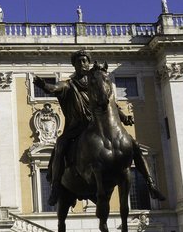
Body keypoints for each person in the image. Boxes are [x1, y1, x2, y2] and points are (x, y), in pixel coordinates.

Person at [33, 49, 163, 206]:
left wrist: (123, 117)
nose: (83, 64)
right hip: (78, 128)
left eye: (85, 61)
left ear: (89, 63)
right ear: (74, 65)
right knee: (60, 145)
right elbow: (55, 88)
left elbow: (111, 103)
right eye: (79, 61)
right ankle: (55, 188)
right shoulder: (69, 85)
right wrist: (45, 86)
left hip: (99, 125)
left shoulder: (97, 83)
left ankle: (150, 184)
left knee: (133, 144)